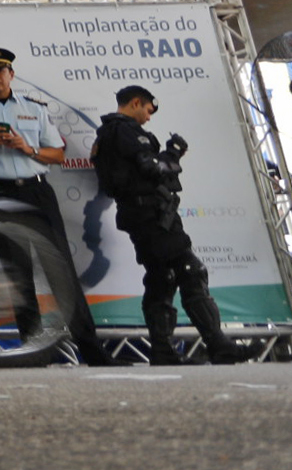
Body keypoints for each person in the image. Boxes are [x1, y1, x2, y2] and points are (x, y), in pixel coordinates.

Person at [0, 48, 104, 363]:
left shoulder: (34, 109)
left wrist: (28, 147)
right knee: (17, 274)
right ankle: (33, 353)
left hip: (37, 194)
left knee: (60, 270)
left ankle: (92, 351)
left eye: (1, 70)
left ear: (11, 74)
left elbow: (58, 155)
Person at [91, 86, 244, 365]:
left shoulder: (110, 133)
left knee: (162, 279)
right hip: (150, 216)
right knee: (190, 269)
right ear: (136, 103)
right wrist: (172, 154)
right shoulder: (124, 130)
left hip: (144, 215)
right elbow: (152, 169)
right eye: (148, 110)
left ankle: (163, 351)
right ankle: (218, 344)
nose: (149, 118)